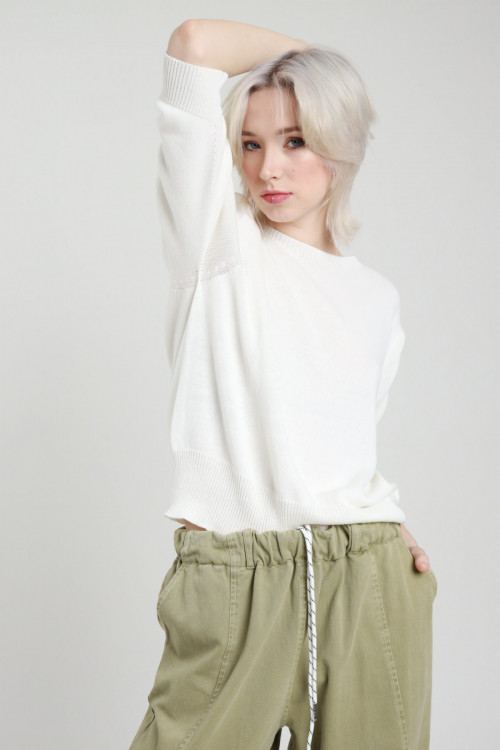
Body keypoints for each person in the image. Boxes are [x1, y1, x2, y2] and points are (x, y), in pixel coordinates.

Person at [129, 19, 436, 750]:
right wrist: (307, 57)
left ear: (341, 144)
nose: (269, 167)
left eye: (296, 140)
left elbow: (339, 445)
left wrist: (385, 522)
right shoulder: (218, 245)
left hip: (367, 578)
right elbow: (194, 43)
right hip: (239, 578)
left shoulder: (378, 300)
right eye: (250, 144)